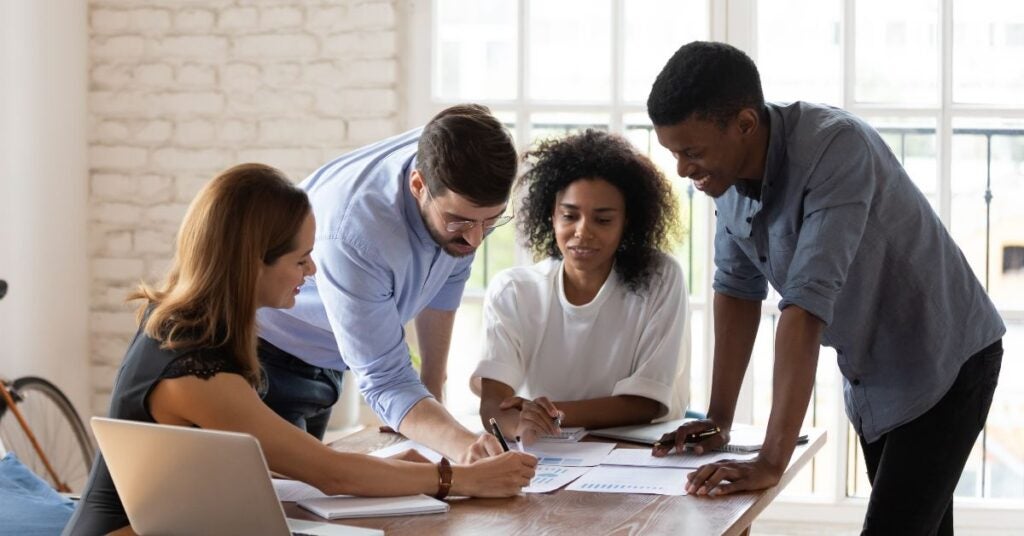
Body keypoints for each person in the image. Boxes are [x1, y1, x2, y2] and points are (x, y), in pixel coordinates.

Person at [646, 41, 1004, 535]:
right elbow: (736, 288)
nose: (682, 170)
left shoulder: (836, 148)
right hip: (875, 376)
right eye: (673, 153)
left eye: (692, 152)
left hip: (947, 361)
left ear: (745, 125)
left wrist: (771, 459)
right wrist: (718, 420)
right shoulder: (724, 181)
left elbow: (806, 306)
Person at [63, 164, 537, 536]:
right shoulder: (194, 372)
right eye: (299, 259)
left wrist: (389, 470)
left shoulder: (192, 321)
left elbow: (278, 462)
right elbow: (327, 472)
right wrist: (461, 478)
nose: (311, 272)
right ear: (251, 263)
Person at [256, 104, 519, 462]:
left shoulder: (457, 154)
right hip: (267, 358)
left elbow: (447, 276)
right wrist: (465, 448)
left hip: (330, 360)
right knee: (290, 498)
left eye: (491, 221)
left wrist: (430, 396)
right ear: (418, 185)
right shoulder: (355, 234)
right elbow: (386, 381)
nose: (475, 239)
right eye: (460, 222)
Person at [472, 130, 690, 445]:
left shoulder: (659, 278)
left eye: (602, 220)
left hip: (640, 454)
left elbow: (646, 403)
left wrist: (546, 413)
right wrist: (521, 421)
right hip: (553, 456)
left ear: (627, 222)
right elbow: (494, 407)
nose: (582, 232)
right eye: (569, 216)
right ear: (551, 215)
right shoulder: (513, 290)